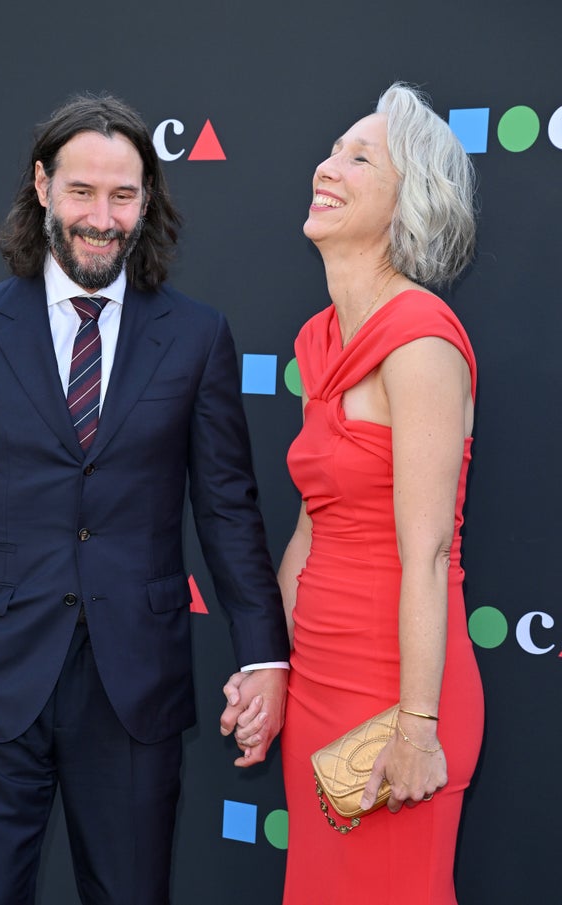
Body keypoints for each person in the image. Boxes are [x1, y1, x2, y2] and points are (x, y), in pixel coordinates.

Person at [0, 94, 289, 905]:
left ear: (148, 199)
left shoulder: (197, 337)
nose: (102, 218)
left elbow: (229, 511)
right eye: (83, 192)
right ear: (42, 187)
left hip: (137, 685)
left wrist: (265, 656)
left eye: (123, 195)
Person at [277, 83, 484, 904]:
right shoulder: (319, 341)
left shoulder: (422, 340)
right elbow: (308, 531)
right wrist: (276, 670)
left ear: (409, 202)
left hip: (398, 699)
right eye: (333, 150)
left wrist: (418, 727)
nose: (327, 167)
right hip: (317, 687)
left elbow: (427, 552)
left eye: (360, 158)